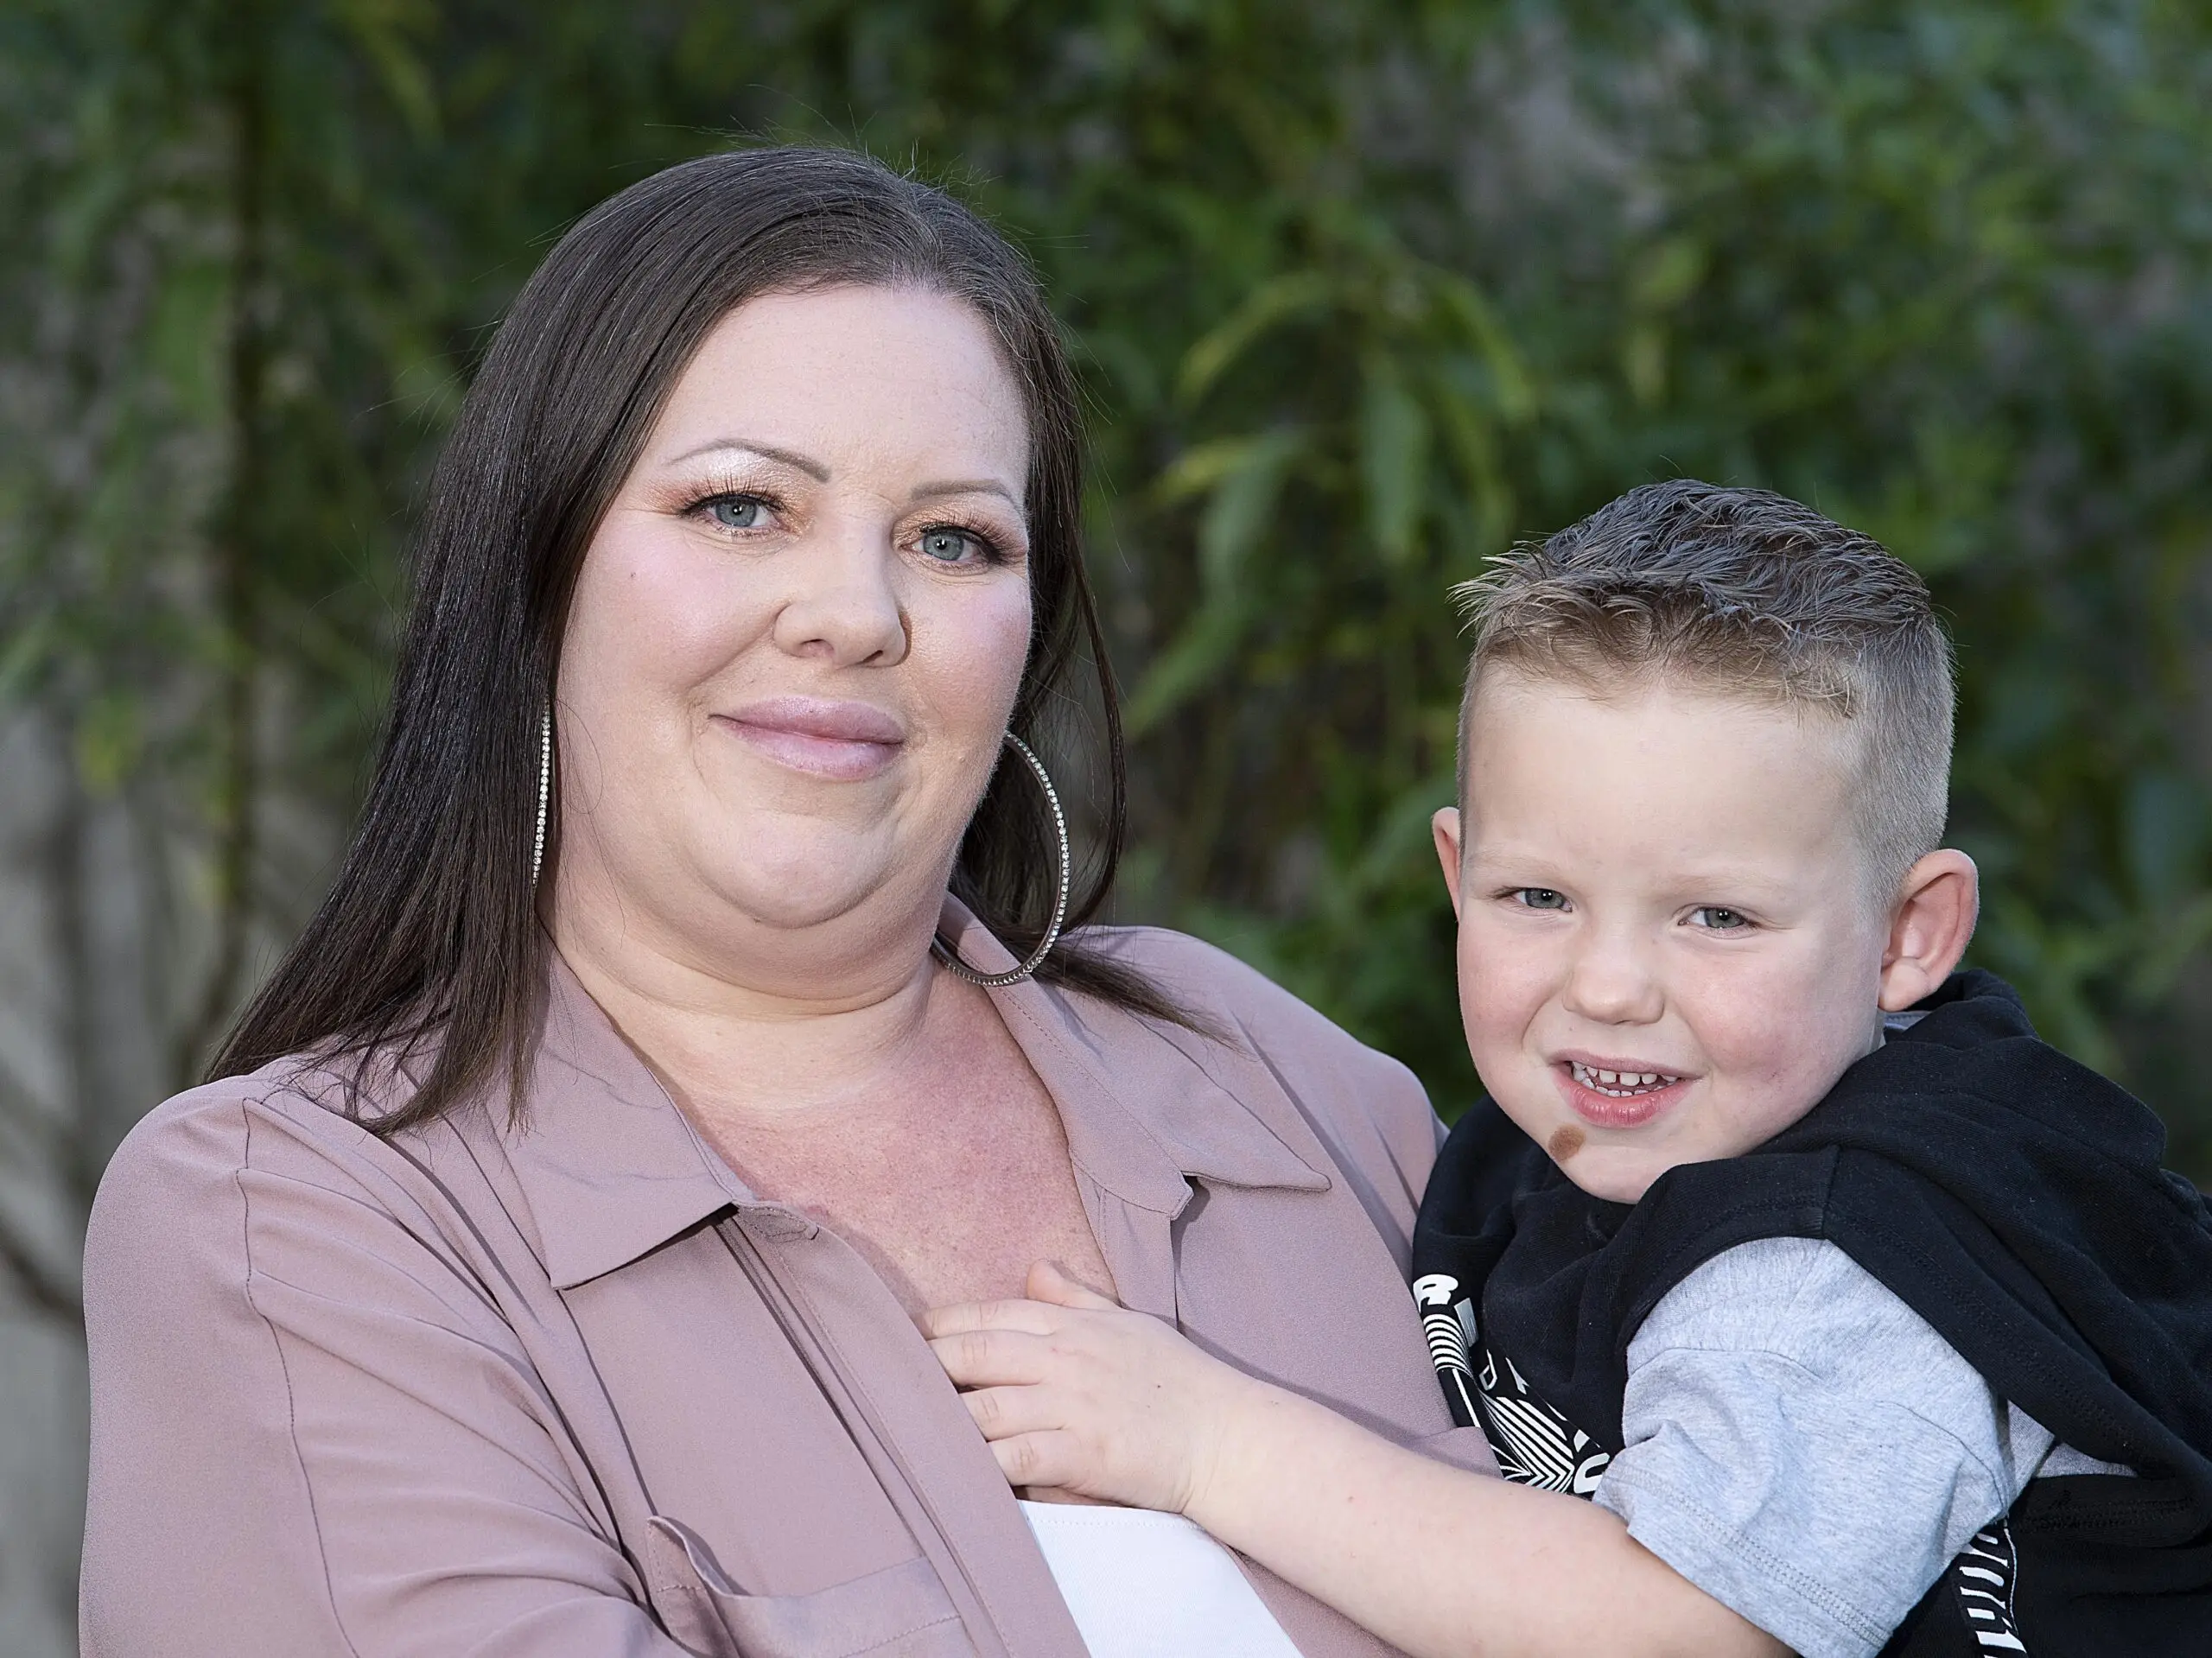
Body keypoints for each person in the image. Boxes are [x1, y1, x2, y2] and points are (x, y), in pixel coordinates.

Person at [77, 147, 1497, 1658]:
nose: (856, 614)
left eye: (954, 539)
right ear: (539, 576)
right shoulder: (295, 1224)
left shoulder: (1282, 1084)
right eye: (744, 507)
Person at [925, 480, 2212, 1657]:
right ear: (1454, 874)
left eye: (1716, 916)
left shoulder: (1844, 1261)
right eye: (1538, 894)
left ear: (1906, 936)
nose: (1607, 986)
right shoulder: (1594, 1140)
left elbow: (1675, 1625)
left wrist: (1206, 1440)